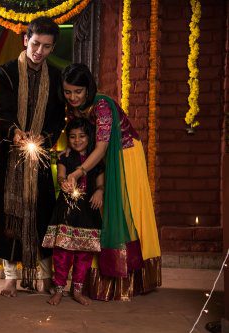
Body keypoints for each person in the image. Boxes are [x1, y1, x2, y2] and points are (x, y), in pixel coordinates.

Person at [61, 63, 161, 301]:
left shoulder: (102, 106)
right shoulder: (77, 109)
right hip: (103, 158)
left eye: (78, 91)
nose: (73, 97)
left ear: (88, 89)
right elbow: (82, 137)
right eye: (68, 92)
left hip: (125, 156)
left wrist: (77, 172)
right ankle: (96, 273)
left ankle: (127, 275)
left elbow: (102, 145)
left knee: (126, 211)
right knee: (101, 211)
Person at [0, 16, 66, 297]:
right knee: (10, 212)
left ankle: (43, 275)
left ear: (53, 49)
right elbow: (3, 111)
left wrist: (44, 138)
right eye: (35, 44)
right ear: (25, 40)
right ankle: (10, 277)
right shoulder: (6, 72)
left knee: (41, 210)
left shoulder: (56, 77)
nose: (38, 51)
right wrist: (17, 134)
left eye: (46, 46)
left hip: (39, 155)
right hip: (10, 152)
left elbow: (58, 119)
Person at [42, 117, 104, 306]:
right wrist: (64, 183)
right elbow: (61, 176)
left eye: (82, 136)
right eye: (73, 137)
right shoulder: (65, 157)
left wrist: (100, 191)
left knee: (84, 253)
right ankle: (59, 289)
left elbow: (100, 182)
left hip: (88, 211)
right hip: (66, 211)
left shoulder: (96, 158)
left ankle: (77, 290)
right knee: (62, 252)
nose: (77, 140)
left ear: (90, 137)